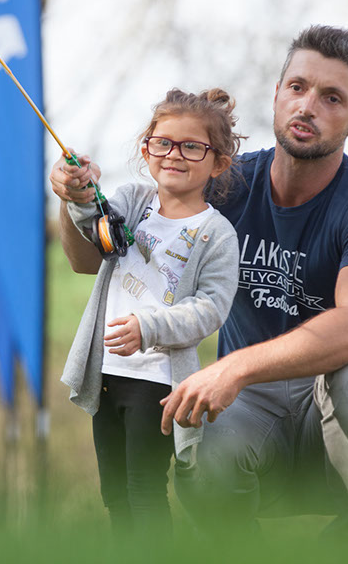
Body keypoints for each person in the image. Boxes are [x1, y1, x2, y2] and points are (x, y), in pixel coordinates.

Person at [50, 25, 348, 542]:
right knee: (196, 446)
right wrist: (74, 201)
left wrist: (233, 367)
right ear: (277, 94)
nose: (307, 106)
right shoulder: (224, 184)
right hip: (248, 412)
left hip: (330, 418)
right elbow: (89, 260)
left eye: (332, 98)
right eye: (297, 87)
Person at [57, 88, 244, 539]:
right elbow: (98, 225)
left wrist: (149, 327)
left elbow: (210, 309)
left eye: (191, 147)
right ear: (147, 150)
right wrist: (80, 190)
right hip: (107, 371)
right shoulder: (134, 200)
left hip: (158, 382)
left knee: (144, 491)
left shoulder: (216, 233)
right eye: (162, 143)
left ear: (218, 163)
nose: (173, 155)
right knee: (114, 493)